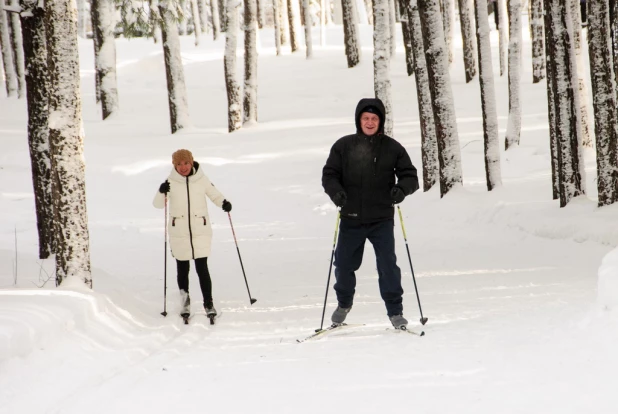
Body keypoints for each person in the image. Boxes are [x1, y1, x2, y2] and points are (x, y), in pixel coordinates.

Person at [321, 98, 419, 329]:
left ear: (381, 121)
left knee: (387, 265)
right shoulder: (343, 146)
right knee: (344, 265)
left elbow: (410, 176)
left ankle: (395, 312)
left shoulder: (392, 148)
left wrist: (401, 189)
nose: (370, 122)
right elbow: (329, 175)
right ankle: (344, 304)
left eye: (374, 118)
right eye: (366, 118)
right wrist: (336, 193)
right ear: (358, 120)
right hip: (351, 218)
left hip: (381, 219)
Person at [153, 149, 232, 318]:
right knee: (183, 269)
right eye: (179, 164)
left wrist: (224, 203)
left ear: (191, 162)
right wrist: (161, 191)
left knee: (202, 268)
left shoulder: (200, 179)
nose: (183, 167)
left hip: (200, 231)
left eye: (186, 163)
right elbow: (158, 205)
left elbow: (214, 194)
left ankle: (208, 302)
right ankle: (184, 302)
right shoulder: (170, 182)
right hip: (179, 232)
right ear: (174, 165)